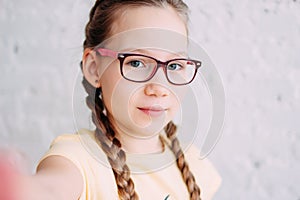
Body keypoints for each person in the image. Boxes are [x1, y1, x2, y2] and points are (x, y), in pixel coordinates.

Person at [0, 0, 221, 200]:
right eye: (137, 63)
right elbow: (50, 190)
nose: (159, 88)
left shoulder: (195, 164)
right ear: (94, 68)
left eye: (174, 66)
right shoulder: (78, 159)